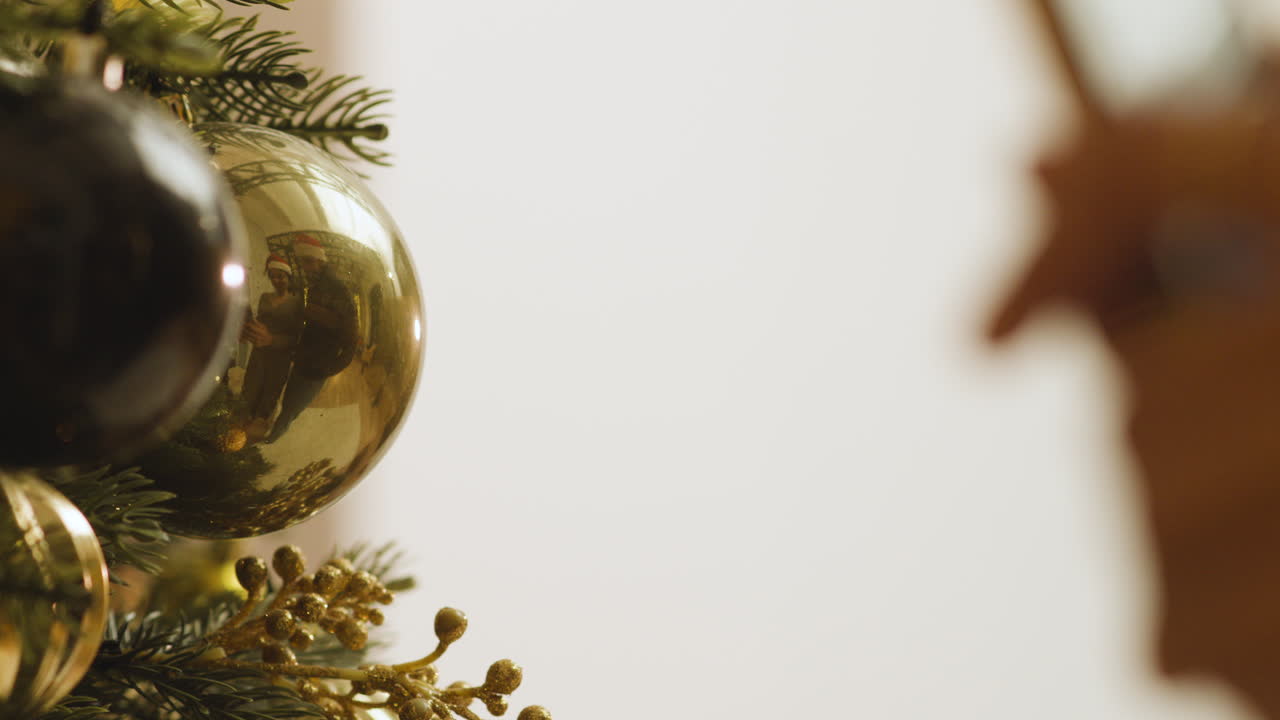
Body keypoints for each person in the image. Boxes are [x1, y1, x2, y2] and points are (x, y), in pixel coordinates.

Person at [266, 234, 358, 442]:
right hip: (304, 359)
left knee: (292, 407)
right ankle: (277, 428)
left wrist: (329, 368)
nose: (305, 267)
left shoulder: (337, 289)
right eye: (302, 262)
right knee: (290, 400)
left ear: (320, 259)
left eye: (308, 261)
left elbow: (351, 336)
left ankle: (273, 438)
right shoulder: (315, 285)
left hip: (317, 366)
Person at [240, 254, 301, 441]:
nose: (276, 280)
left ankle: (257, 429)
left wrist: (272, 339)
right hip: (259, 353)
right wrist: (250, 330)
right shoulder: (265, 297)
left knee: (270, 392)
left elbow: (297, 338)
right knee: (250, 387)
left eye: (281, 276)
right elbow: (261, 321)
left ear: (289, 277)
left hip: (280, 357)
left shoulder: (297, 302)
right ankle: (241, 425)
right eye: (273, 276)